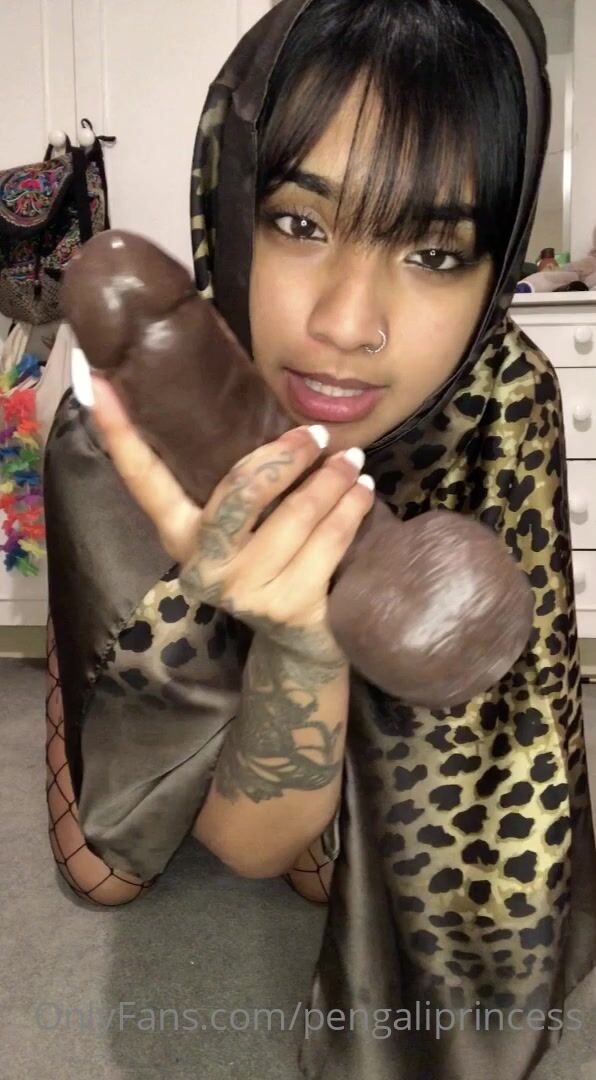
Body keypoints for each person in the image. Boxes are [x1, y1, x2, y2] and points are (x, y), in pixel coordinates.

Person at [43, 0, 596, 1076]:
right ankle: (75, 689)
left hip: (341, 665)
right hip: (167, 636)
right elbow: (230, 844)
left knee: (317, 868)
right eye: (300, 222)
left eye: (434, 251)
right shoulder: (124, 421)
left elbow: (485, 756)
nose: (348, 324)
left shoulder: (500, 402)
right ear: (232, 197)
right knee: (106, 869)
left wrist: (305, 646)